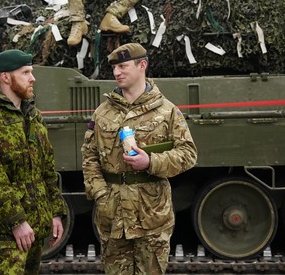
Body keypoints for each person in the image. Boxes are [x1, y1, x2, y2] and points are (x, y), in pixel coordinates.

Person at [81, 43, 198, 274]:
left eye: (123, 66)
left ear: (142, 65)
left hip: (151, 216)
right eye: (114, 68)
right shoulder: (103, 112)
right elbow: (89, 156)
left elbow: (188, 154)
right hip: (113, 215)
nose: (116, 73)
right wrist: (100, 194)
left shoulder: (167, 111)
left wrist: (151, 163)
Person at [0, 49, 67, 274]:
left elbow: (47, 169)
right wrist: (16, 222)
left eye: (31, 72)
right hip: (6, 233)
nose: (32, 78)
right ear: (6, 77)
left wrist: (56, 212)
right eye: (25, 72)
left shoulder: (33, 116)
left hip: (35, 227)